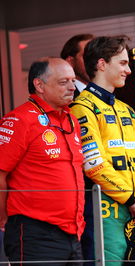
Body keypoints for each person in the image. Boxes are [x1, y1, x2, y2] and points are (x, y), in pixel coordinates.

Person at [70, 35, 135, 266]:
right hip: (104, 208)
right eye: (123, 63)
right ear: (101, 64)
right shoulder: (82, 108)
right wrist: (132, 198)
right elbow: (94, 165)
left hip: (131, 208)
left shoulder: (126, 110)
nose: (128, 70)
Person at [0, 57, 85, 264]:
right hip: (35, 233)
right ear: (39, 85)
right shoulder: (20, 119)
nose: (72, 87)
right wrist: (3, 219)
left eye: (73, 81)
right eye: (63, 82)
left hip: (73, 233)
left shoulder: (71, 119)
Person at [61, 34, 94, 98]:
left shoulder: (110, 92)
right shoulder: (63, 97)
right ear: (70, 62)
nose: (95, 61)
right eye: (87, 56)